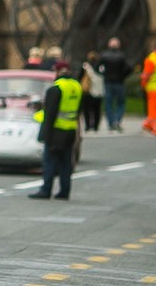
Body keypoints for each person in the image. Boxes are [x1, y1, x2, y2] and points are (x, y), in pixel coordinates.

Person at [30, 59, 83, 201]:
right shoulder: (77, 86)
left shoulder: (56, 88)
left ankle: (46, 190)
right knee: (66, 163)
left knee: (50, 162)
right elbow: (79, 110)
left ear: (58, 72)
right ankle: (64, 191)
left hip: (56, 131)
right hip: (70, 131)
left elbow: (50, 114)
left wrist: (44, 135)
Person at [99, 39, 130, 132]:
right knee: (120, 102)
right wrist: (122, 76)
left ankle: (111, 122)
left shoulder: (104, 55)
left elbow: (97, 67)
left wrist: (104, 74)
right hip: (119, 82)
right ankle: (117, 119)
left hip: (108, 82)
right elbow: (128, 68)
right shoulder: (121, 56)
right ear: (118, 46)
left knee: (108, 103)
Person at [80, 55, 104, 133]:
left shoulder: (85, 66)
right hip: (99, 91)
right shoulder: (102, 68)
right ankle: (95, 126)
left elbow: (80, 76)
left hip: (88, 91)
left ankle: (87, 125)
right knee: (97, 109)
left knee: (86, 110)